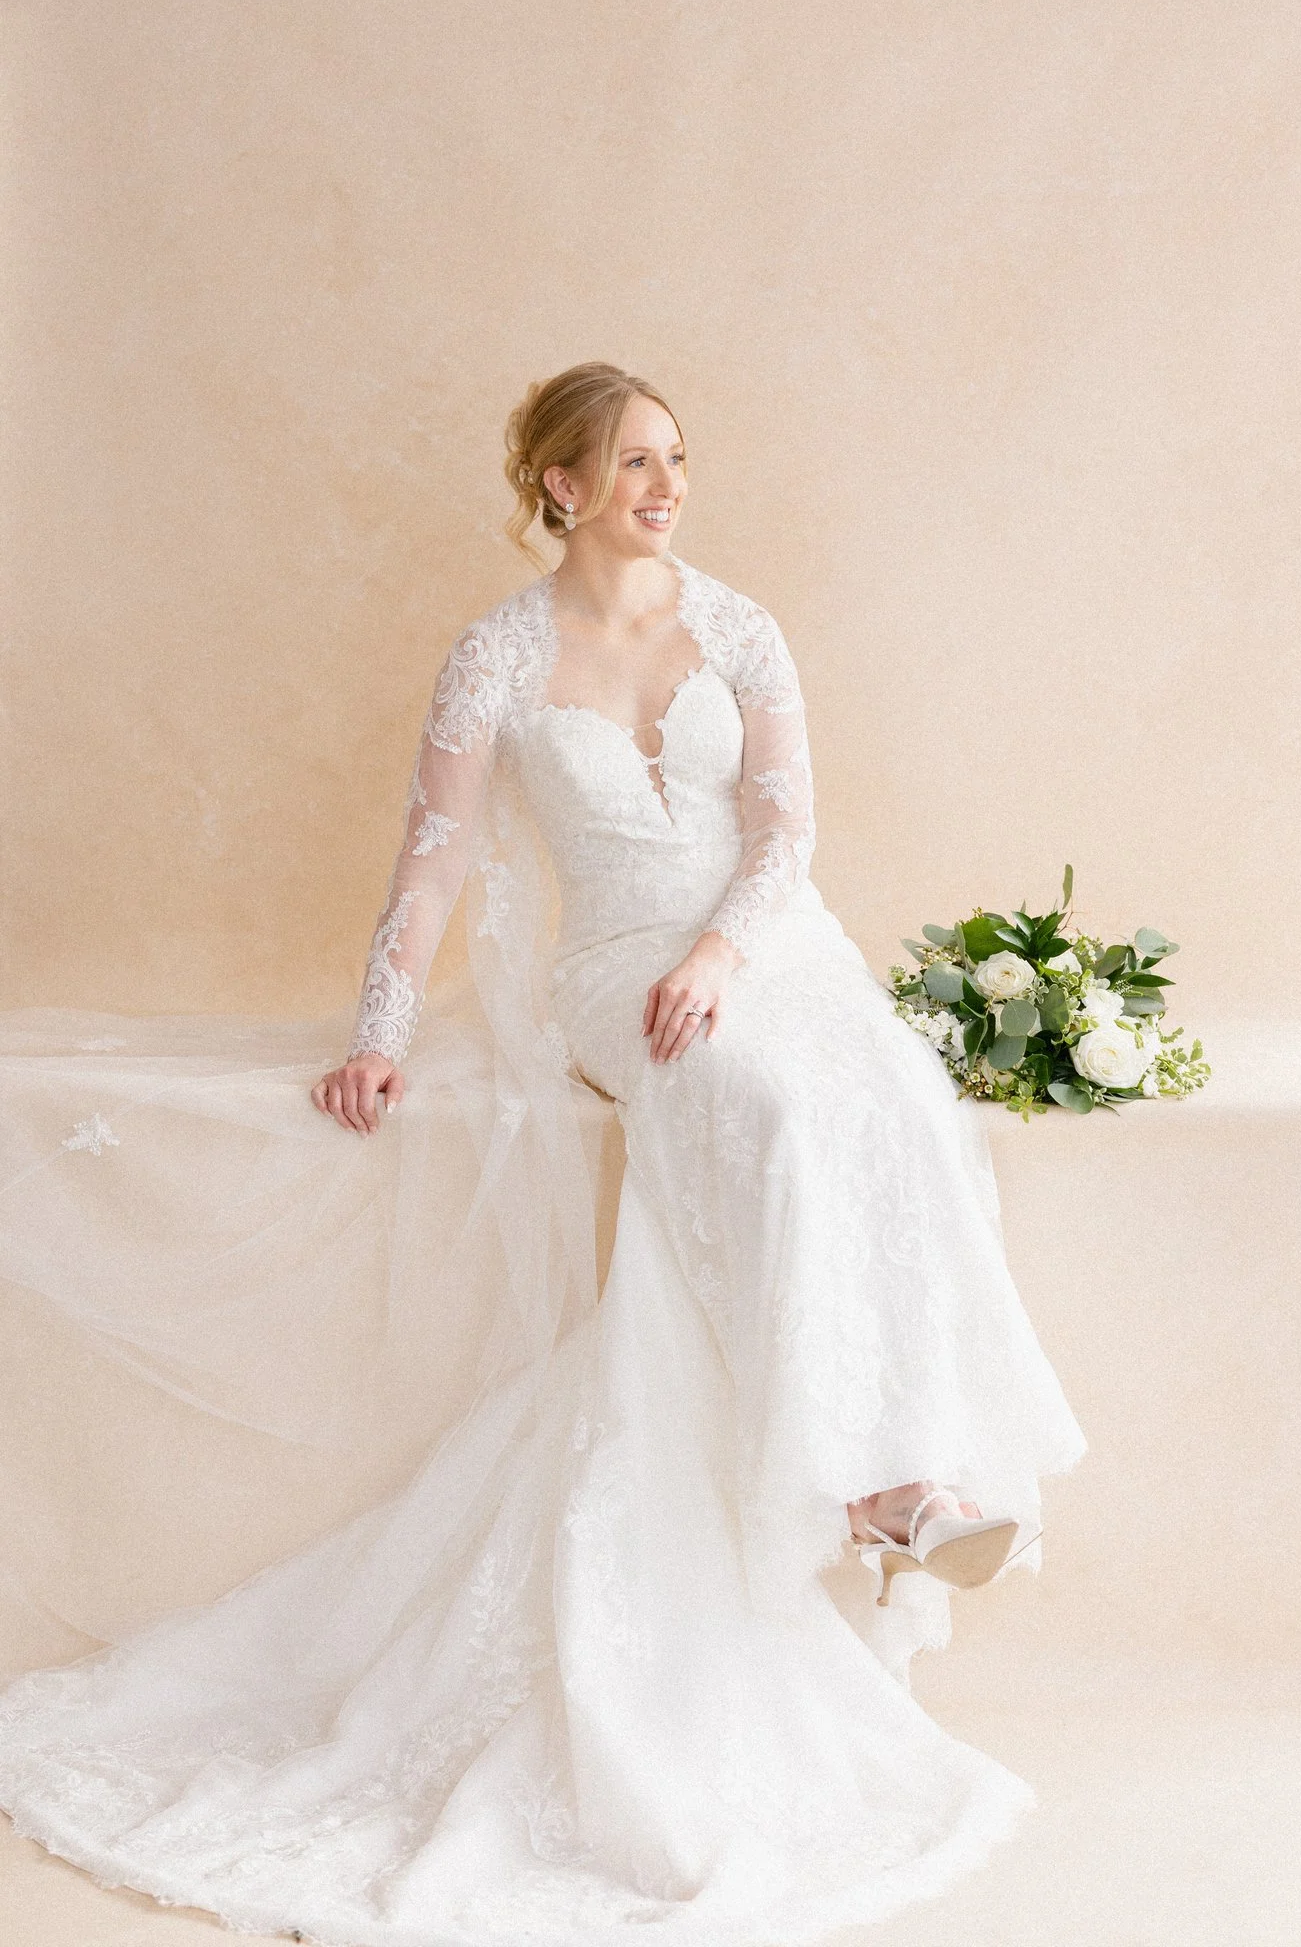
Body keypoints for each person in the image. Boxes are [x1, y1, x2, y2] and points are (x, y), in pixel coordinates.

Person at [0, 361, 1087, 1944]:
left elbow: (785, 835)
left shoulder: (743, 628)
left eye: (678, 456)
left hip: (767, 946)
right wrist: (379, 1029)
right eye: (634, 460)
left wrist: (726, 952)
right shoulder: (498, 658)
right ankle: (874, 1493)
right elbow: (432, 864)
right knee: (767, 1114)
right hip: (618, 972)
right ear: (561, 485)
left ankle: (912, 1466)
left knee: (904, 1101)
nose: (668, 484)